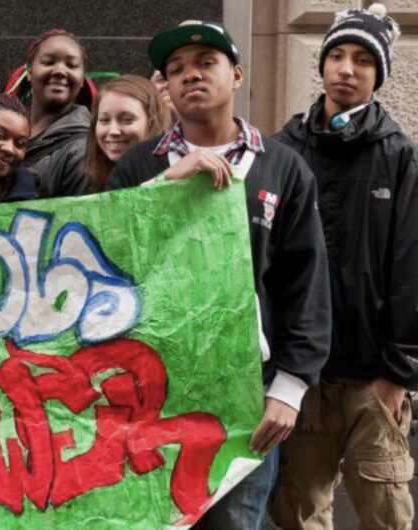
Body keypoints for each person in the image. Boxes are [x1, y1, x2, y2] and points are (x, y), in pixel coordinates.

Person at [108, 21, 331, 530]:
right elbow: (109, 258)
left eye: (205, 64)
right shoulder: (141, 166)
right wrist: (165, 184)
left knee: (236, 521)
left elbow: (306, 283)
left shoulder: (282, 168)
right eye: (177, 70)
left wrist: (290, 389)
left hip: (246, 394)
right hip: (152, 394)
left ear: (236, 75)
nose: (191, 76)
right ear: (164, 86)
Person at [268, 5, 418, 529]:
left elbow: (410, 268)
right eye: (336, 54)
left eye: (362, 59)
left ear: (378, 75)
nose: (346, 68)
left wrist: (398, 375)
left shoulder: (398, 155)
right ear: (322, 64)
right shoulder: (284, 149)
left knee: (386, 513)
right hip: (302, 379)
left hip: (373, 379)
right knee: (299, 510)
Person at [20, 28, 91, 198]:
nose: (60, 71)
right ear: (30, 72)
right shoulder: (9, 131)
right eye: (48, 62)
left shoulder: (85, 149)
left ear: (82, 79)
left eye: (71, 65)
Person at [83, 75, 171, 192]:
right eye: (104, 120)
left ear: (152, 122)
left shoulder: (175, 171)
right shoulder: (85, 178)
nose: (113, 131)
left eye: (127, 120)